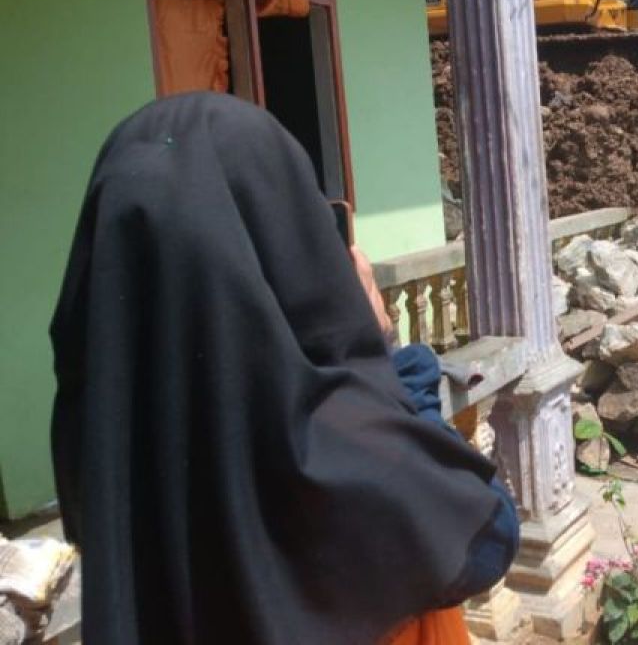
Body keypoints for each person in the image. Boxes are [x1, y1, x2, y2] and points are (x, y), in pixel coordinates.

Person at [50, 93, 518, 644]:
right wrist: (383, 348)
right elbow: (486, 535)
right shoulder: (324, 437)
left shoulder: (99, 449)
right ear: (284, 236)